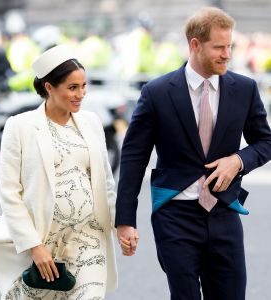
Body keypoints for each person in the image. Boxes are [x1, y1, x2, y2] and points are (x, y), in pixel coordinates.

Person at [115, 6, 271, 300]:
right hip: (175, 215)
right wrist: (125, 219)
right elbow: (134, 157)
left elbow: (265, 142)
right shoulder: (157, 92)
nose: (228, 54)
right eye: (219, 47)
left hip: (224, 212)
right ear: (195, 45)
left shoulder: (245, 89)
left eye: (230, 46)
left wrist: (237, 161)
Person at [0, 44, 117, 299]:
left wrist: (122, 225)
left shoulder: (92, 122)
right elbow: (9, 192)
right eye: (72, 87)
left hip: (89, 240)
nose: (81, 94)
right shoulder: (20, 126)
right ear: (49, 87)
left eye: (84, 86)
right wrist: (34, 246)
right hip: (43, 243)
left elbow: (105, 182)